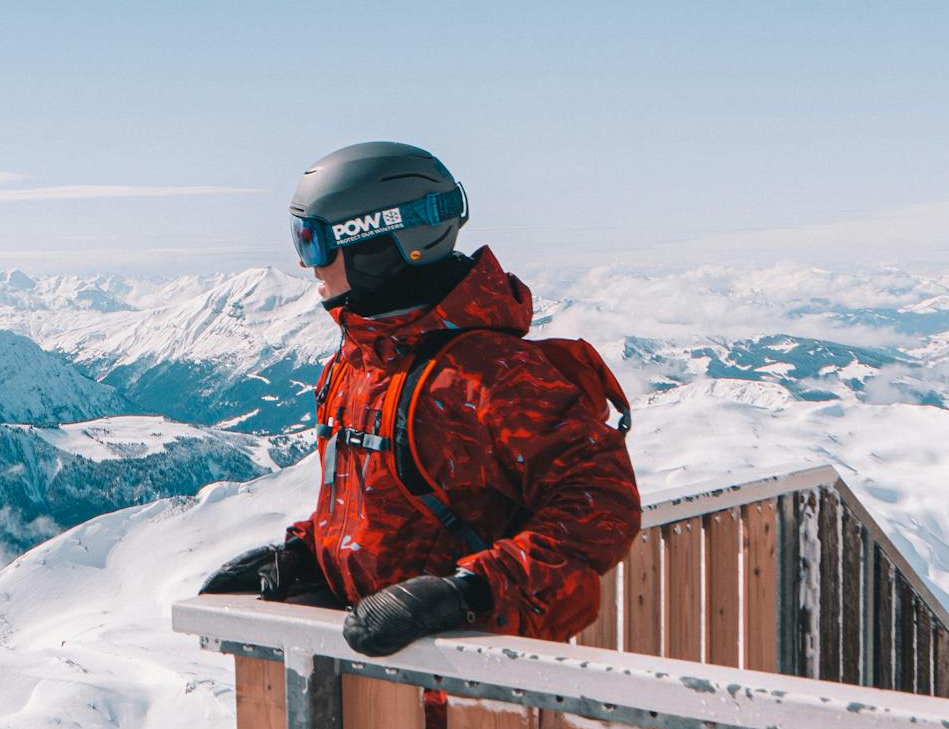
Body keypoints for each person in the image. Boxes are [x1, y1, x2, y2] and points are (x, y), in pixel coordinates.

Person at [200, 141, 642, 655]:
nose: (308, 266)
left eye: (313, 242)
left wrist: (467, 591)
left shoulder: (490, 374)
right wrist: (306, 553)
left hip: (468, 679)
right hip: (376, 675)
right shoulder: (362, 362)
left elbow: (602, 506)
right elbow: (376, 505)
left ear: (377, 242)